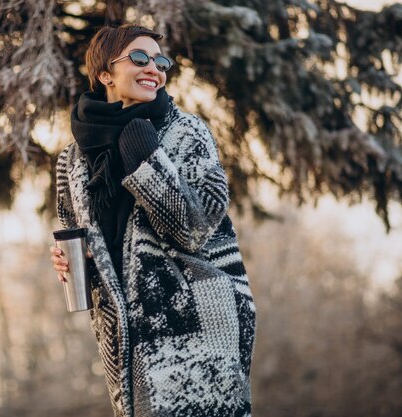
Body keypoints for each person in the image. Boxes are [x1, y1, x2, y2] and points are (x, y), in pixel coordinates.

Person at [49, 24, 256, 417]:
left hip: (200, 318)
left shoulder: (185, 132)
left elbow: (194, 229)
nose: (155, 69)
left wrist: (145, 157)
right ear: (105, 74)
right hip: (125, 333)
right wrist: (72, 262)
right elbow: (84, 239)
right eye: (140, 58)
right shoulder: (72, 159)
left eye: (161, 62)